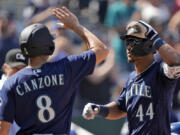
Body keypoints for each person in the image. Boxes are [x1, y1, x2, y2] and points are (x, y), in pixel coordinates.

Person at [0, 7, 109, 135]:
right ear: (49, 47)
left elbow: (3, 129)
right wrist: (76, 26)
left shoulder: (11, 82)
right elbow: (102, 50)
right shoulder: (67, 68)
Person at [82, 20, 180, 135]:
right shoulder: (132, 77)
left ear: (149, 46)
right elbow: (120, 107)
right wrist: (98, 109)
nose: (128, 46)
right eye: (127, 42)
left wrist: (153, 37)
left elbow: (176, 62)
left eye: (133, 42)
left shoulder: (161, 71)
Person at [0, 48, 27, 135]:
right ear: (5, 68)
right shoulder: (1, 88)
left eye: (23, 69)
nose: (19, 73)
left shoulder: (28, 87)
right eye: (15, 68)